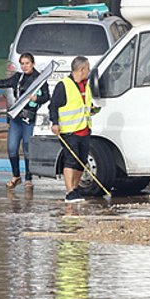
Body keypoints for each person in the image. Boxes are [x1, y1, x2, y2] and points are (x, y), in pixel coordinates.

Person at [0, 52, 50, 188]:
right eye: (22, 64)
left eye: (27, 63)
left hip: (29, 119)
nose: (25, 66)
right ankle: (16, 175)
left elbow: (46, 96)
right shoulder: (17, 78)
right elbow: (2, 83)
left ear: (33, 63)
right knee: (12, 148)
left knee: (27, 148)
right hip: (16, 118)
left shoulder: (39, 79)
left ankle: (28, 178)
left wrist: (37, 99)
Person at [48, 56, 97, 203]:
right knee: (71, 160)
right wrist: (54, 123)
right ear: (82, 69)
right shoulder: (64, 85)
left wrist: (92, 109)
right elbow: (53, 106)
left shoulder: (86, 85)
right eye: (87, 68)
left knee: (81, 161)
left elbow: (83, 104)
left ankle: (75, 189)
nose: (89, 71)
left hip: (84, 129)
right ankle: (69, 191)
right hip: (69, 130)